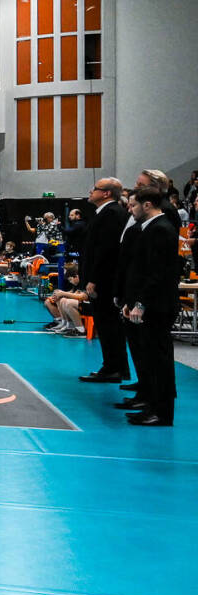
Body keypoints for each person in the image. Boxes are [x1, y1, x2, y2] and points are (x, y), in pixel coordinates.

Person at [122, 187, 180, 426]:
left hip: (158, 305)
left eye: (134, 205)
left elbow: (156, 273)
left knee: (159, 360)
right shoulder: (151, 228)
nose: (131, 210)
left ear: (147, 205)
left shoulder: (160, 229)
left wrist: (141, 303)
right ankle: (152, 405)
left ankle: (162, 412)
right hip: (150, 303)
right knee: (150, 358)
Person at [78, 178, 130, 383]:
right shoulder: (105, 213)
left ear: (106, 193)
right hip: (102, 278)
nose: (91, 192)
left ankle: (113, 368)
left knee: (108, 325)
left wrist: (94, 279)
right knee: (107, 325)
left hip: (104, 281)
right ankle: (115, 366)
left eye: (95, 189)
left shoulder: (111, 214)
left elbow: (106, 250)